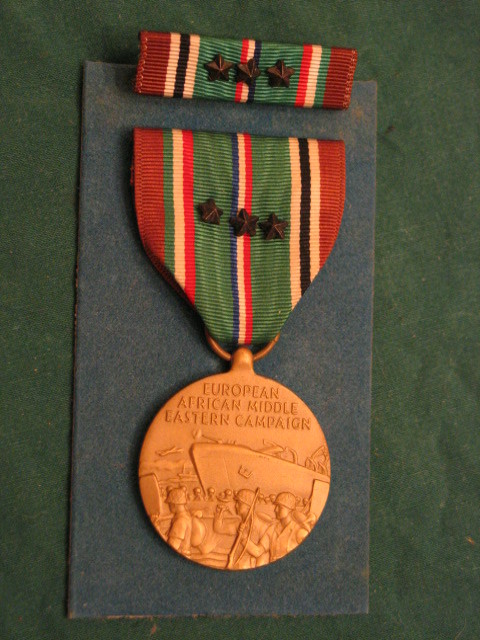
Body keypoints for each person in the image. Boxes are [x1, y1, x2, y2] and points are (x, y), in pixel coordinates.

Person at [213, 489, 269, 569]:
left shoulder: (262, 527)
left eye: (239, 503)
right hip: (236, 565)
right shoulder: (238, 524)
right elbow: (218, 529)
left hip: (250, 568)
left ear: (248, 506)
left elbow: (258, 552)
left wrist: (244, 538)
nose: (236, 506)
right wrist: (220, 513)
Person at [258, 492, 309, 564]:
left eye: (280, 507)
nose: (275, 510)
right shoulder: (272, 529)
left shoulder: (299, 531)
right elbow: (258, 551)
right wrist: (244, 538)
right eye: (276, 506)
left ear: (290, 509)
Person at [165, 487, 193, 555]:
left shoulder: (180, 521)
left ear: (174, 505)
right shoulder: (186, 516)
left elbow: (172, 546)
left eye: (169, 504)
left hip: (178, 555)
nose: (168, 506)